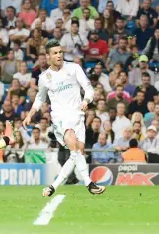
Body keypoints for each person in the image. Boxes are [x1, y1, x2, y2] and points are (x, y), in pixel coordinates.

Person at [22, 40, 105, 197]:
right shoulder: (44, 77)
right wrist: (30, 114)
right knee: (73, 145)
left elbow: (88, 89)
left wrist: (86, 101)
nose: (59, 55)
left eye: (60, 52)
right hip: (60, 117)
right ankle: (89, 184)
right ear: (48, 56)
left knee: (76, 153)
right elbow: (40, 98)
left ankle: (52, 187)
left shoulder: (74, 68)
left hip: (78, 115)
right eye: (55, 53)